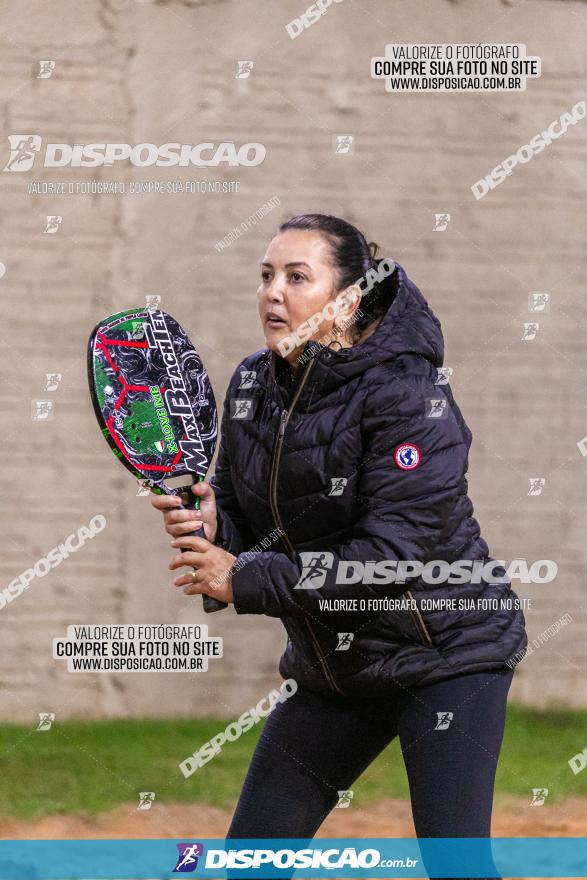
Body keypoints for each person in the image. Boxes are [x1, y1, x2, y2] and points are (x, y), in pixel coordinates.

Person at [151, 213, 528, 872]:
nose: (273, 292)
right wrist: (215, 530)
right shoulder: (251, 385)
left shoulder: (409, 396)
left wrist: (241, 578)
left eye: (297, 276)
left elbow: (391, 557)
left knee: (456, 866)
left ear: (348, 299)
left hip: (444, 657)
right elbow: (249, 520)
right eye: (266, 275)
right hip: (334, 667)